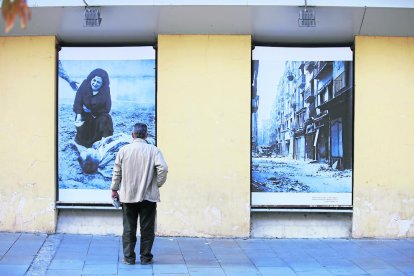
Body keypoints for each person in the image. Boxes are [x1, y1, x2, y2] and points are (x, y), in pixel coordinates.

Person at [111, 123, 168, 265]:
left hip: (128, 196)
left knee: (129, 229)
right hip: (148, 196)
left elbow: (117, 172)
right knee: (147, 229)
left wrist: (114, 189)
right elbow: (163, 168)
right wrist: (157, 184)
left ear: (132, 135)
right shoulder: (154, 151)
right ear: (146, 135)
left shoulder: (123, 150)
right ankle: (145, 257)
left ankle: (129, 258)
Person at [73, 68, 114, 148]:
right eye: (94, 80)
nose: (95, 83)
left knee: (106, 118)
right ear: (91, 79)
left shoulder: (105, 90)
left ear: (102, 84)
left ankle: (103, 140)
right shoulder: (85, 84)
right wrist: (78, 115)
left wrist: (92, 111)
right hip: (84, 115)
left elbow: (107, 108)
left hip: (97, 116)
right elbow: (77, 101)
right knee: (82, 137)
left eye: (98, 82)